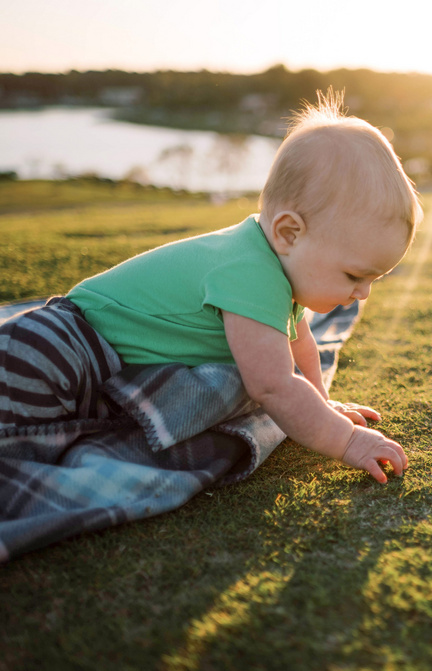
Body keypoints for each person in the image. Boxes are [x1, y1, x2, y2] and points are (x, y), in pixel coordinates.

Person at [0, 92, 423, 484]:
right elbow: (273, 385)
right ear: (290, 233)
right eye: (354, 276)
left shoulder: (274, 266)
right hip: (59, 345)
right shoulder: (249, 272)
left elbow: (300, 345)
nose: (363, 294)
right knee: (20, 445)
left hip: (87, 357)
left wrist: (320, 404)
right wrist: (346, 440)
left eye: (373, 280)